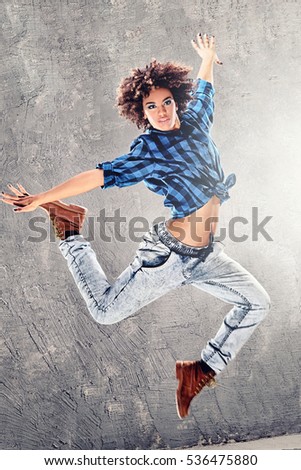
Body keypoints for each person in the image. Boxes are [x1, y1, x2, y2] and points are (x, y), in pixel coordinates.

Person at [1, 33, 271, 419]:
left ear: (176, 100)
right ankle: (69, 227)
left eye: (166, 102)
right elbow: (97, 176)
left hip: (207, 256)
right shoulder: (148, 150)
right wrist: (43, 198)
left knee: (257, 302)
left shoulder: (196, 121)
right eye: (151, 107)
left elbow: (207, 87)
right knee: (105, 311)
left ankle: (199, 371)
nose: (162, 111)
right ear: (141, 113)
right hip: (169, 258)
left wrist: (209, 57)